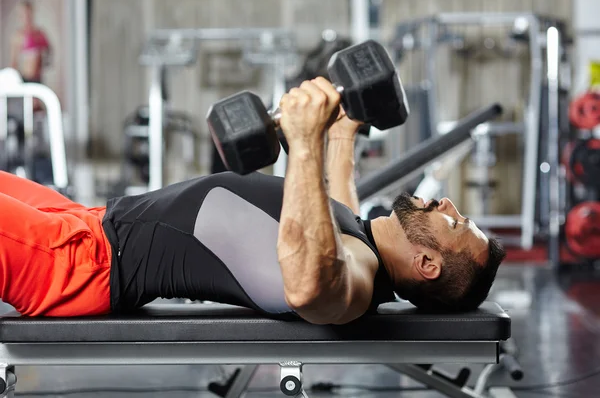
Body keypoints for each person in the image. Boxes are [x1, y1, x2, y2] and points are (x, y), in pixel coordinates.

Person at [0, 77, 505, 324]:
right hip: (83, 222)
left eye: (456, 224)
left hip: (82, 262)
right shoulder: (357, 237)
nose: (447, 206)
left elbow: (310, 286)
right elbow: (336, 203)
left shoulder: (352, 279)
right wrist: (343, 132)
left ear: (426, 263)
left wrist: (305, 143)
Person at [9, 0, 51, 84]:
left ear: (32, 13)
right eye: (23, 15)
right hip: (25, 78)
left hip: (38, 77)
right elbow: (14, 62)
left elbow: (48, 53)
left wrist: (40, 59)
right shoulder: (18, 36)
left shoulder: (40, 34)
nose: (26, 17)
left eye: (28, 14)